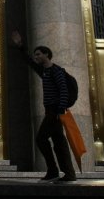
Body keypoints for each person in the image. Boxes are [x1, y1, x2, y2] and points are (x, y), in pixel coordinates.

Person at [12, 30, 76, 182]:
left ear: (47, 54)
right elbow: (29, 62)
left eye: (38, 54)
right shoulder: (45, 72)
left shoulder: (56, 71)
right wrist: (21, 47)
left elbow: (63, 90)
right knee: (59, 142)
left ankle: (54, 171)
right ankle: (68, 173)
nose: (36, 57)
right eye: (35, 55)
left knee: (41, 139)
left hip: (55, 111)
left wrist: (60, 110)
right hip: (51, 111)